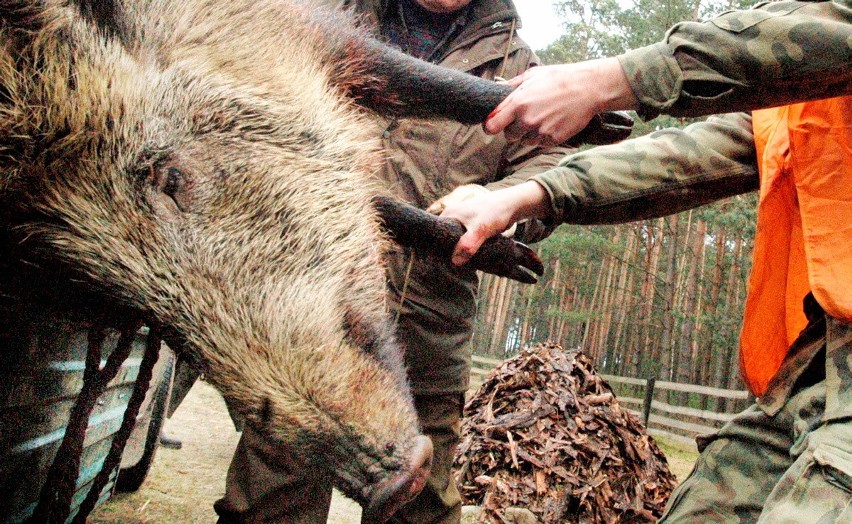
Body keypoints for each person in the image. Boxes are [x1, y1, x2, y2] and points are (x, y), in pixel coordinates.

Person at [438, 0, 852, 521]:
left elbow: (822, 32)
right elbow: (689, 156)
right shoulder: (804, 103)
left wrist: (606, 81)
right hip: (818, 366)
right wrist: (527, 196)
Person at [213, 0, 577, 522]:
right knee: (273, 494)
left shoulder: (518, 71)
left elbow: (551, 163)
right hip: (304, 318)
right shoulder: (321, 16)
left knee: (420, 506)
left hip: (427, 330)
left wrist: (508, 203)